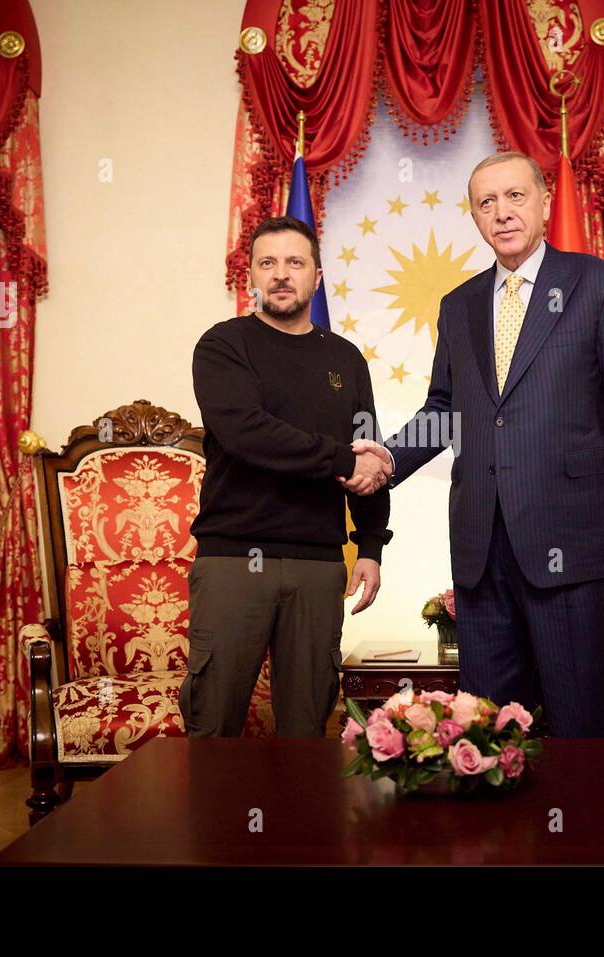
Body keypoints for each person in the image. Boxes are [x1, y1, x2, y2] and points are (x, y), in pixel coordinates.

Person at [356, 152, 604, 737]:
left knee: (583, 732)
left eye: (515, 196)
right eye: (486, 202)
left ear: (544, 202)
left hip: (573, 543)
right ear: (474, 217)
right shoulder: (459, 305)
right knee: (490, 736)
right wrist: (389, 457)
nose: (502, 212)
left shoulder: (599, 285)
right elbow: (445, 410)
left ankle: (585, 830)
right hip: (481, 552)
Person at [181, 215, 393, 738]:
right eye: (267, 263)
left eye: (294, 263)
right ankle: (218, 824)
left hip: (319, 565)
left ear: (317, 277)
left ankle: (301, 825)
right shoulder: (223, 345)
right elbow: (248, 434)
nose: (281, 274)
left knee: (307, 730)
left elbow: (368, 450)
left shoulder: (345, 358)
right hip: (234, 560)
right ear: (250, 275)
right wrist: (345, 462)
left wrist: (370, 544)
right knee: (214, 724)